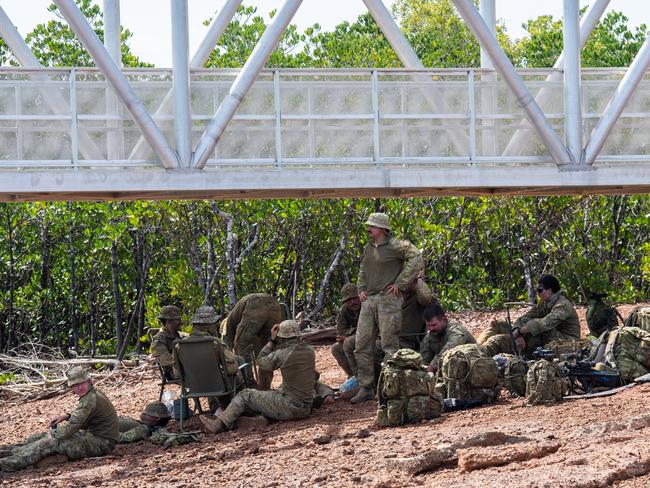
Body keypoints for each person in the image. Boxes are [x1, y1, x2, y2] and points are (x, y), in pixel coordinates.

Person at [199, 320, 333, 434]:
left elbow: (261, 361)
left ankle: (218, 425)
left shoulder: (283, 353)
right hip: (305, 407)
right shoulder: (310, 351)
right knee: (272, 395)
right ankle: (259, 420)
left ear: (282, 337)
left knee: (245, 395)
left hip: (290, 406)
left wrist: (272, 341)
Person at [351, 212, 423, 404]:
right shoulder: (368, 248)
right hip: (369, 301)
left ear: (383, 229)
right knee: (361, 345)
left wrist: (400, 283)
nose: (369, 228)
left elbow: (416, 258)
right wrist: (360, 289)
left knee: (389, 345)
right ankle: (366, 387)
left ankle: (389, 387)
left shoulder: (397, 246)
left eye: (372, 226)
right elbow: (362, 270)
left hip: (388, 300)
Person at [0, 366, 118, 472]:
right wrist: (67, 416)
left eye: (82, 383)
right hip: (94, 436)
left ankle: (7, 464)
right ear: (71, 387)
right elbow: (83, 417)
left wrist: (55, 434)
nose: (80, 387)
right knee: (39, 437)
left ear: (89, 381)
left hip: (103, 443)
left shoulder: (89, 400)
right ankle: (7, 452)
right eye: (76, 385)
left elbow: (72, 427)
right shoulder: (92, 393)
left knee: (51, 441)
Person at [481, 274, 580, 357]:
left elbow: (544, 324)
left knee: (536, 329)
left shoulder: (563, 305)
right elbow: (525, 317)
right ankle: (480, 348)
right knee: (500, 324)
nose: (538, 294)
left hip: (567, 342)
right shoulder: (545, 303)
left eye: (540, 290)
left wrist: (520, 331)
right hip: (549, 338)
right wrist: (518, 333)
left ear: (549, 290)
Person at [174, 305, 246, 412]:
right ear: (207, 326)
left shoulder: (179, 345)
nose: (216, 326)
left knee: (211, 376)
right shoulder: (215, 343)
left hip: (193, 387)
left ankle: (215, 408)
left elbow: (177, 374)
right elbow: (232, 368)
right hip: (218, 386)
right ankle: (237, 408)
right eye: (214, 324)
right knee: (234, 375)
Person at [221, 293, 287, 363]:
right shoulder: (234, 317)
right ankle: (267, 372)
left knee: (241, 347)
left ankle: (246, 373)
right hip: (275, 304)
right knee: (268, 346)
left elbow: (226, 348)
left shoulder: (227, 326)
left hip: (255, 305)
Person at [419, 303, 476, 372]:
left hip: (472, 366)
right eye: (428, 325)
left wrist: (432, 367)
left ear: (443, 319)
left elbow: (447, 352)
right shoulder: (429, 337)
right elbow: (424, 360)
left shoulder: (456, 332)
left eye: (434, 325)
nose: (430, 328)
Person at [400, 270, 438, 350]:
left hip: (406, 343)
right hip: (385, 340)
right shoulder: (394, 293)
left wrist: (419, 279)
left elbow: (425, 298)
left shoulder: (418, 298)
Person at [331, 283, 361, 378]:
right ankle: (353, 376)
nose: (352, 302)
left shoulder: (368, 306)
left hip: (372, 340)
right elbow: (340, 332)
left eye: (354, 298)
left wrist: (349, 338)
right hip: (354, 340)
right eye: (348, 300)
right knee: (336, 348)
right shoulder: (344, 310)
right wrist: (350, 338)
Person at [150, 305, 185, 380]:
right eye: (177, 320)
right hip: (176, 372)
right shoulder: (158, 340)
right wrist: (178, 348)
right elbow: (167, 361)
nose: (180, 322)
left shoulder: (182, 335)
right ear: (168, 321)